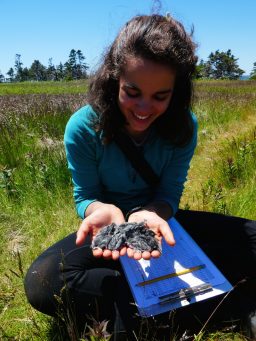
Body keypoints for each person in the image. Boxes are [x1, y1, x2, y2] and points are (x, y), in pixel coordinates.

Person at [24, 14, 256, 340]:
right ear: (113, 78)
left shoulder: (183, 127)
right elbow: (85, 195)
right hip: (112, 234)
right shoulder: (82, 127)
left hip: (159, 224)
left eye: (161, 96)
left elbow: (169, 193)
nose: (144, 107)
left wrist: (151, 213)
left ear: (177, 91)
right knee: (43, 279)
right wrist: (99, 211)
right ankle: (216, 305)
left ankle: (148, 309)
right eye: (132, 92)